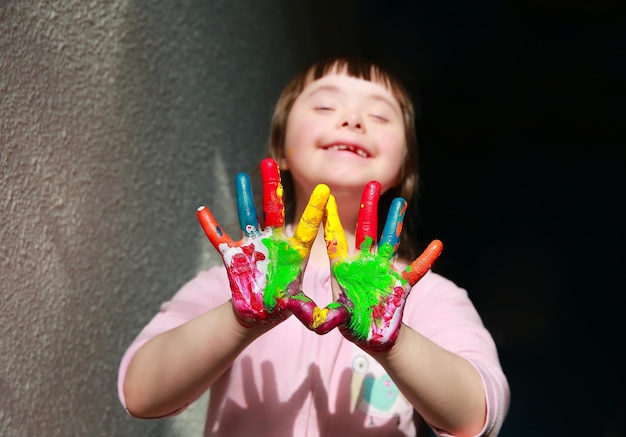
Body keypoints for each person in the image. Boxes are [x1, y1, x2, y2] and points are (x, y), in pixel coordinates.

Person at [118, 56, 510, 436]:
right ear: (280, 151)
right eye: (325, 105)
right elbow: (140, 393)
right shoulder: (234, 281)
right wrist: (238, 319)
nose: (352, 120)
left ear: (403, 169)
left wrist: (396, 342)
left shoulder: (427, 296)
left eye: (379, 116)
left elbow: (476, 417)